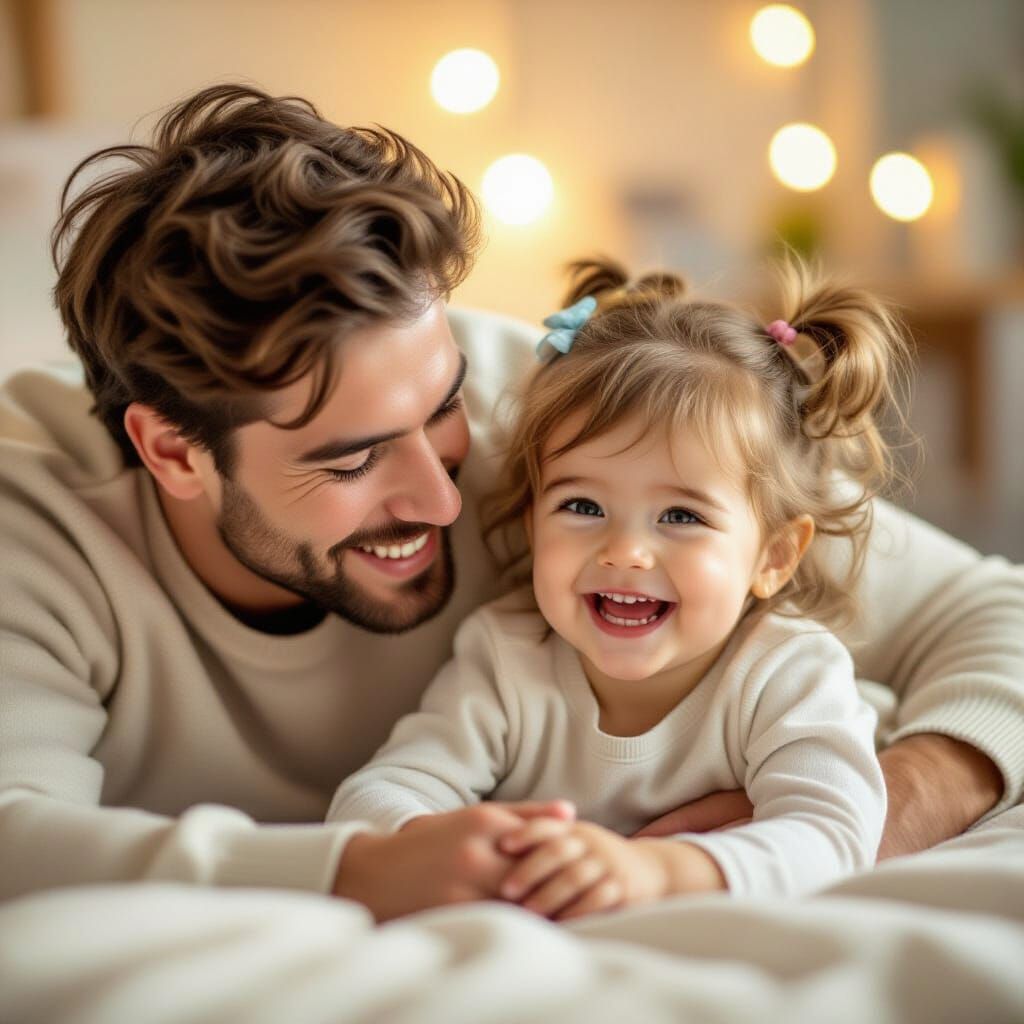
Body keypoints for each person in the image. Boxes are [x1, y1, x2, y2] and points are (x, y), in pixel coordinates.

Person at [0, 84, 1019, 924]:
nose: (448, 492)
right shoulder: (37, 527)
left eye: (442, 409)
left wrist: (849, 817)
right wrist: (354, 871)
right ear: (173, 450)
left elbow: (993, 612)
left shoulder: (554, 411)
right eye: (351, 460)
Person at [327, 259, 894, 919]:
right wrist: (451, 847)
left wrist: (654, 870)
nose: (624, 551)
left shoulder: (789, 670)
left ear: (773, 556)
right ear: (532, 520)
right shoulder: (510, 657)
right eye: (582, 507)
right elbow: (380, 793)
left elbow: (832, 835)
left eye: (680, 517)